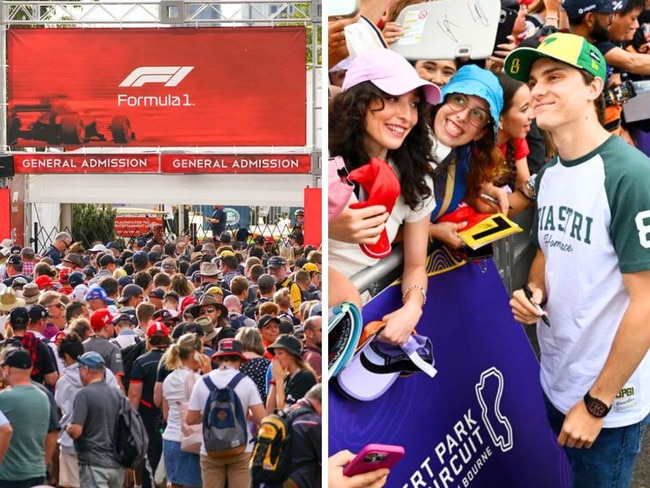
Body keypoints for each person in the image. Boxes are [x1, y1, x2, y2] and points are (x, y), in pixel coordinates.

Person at [505, 32, 650, 486]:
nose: (538, 90)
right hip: (558, 377)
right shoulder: (551, 173)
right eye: (533, 80)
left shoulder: (630, 175)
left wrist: (596, 405)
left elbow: (646, 303)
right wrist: (535, 290)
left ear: (593, 87)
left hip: (606, 402)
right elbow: (549, 249)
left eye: (555, 76)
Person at [328, 48, 441, 345]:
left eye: (414, 104)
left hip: (365, 323)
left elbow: (416, 264)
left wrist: (412, 308)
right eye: (391, 98)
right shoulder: (319, 160)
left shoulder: (416, 177)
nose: (406, 116)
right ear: (359, 101)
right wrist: (326, 226)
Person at [187, 338, 266, 488]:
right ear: (240, 360)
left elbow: (190, 419)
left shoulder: (202, 381)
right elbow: (262, 418)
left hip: (210, 449)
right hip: (241, 449)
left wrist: (211, 415)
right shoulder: (246, 382)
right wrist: (242, 415)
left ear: (218, 359)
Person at [66, 352, 125, 488]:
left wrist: (68, 427)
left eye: (80, 369)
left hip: (94, 464)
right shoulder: (117, 393)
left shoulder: (84, 394)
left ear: (85, 370)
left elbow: (76, 431)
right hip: (117, 464)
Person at [0, 349, 50, 487]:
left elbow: (5, 430)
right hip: (37, 472)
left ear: (7, 369)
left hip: (9, 476)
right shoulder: (43, 397)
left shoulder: (4, 398)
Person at [160, 333, 204, 488]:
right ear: (195, 353)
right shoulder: (198, 380)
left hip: (170, 438)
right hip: (191, 441)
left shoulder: (169, 379)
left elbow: (166, 414)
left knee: (174, 483)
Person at [266, 334, 317, 413]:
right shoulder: (287, 377)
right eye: (274, 354)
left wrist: (279, 380)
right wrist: (274, 379)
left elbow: (285, 411)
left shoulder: (304, 377)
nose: (275, 357)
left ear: (292, 356)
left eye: (280, 353)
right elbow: (269, 411)